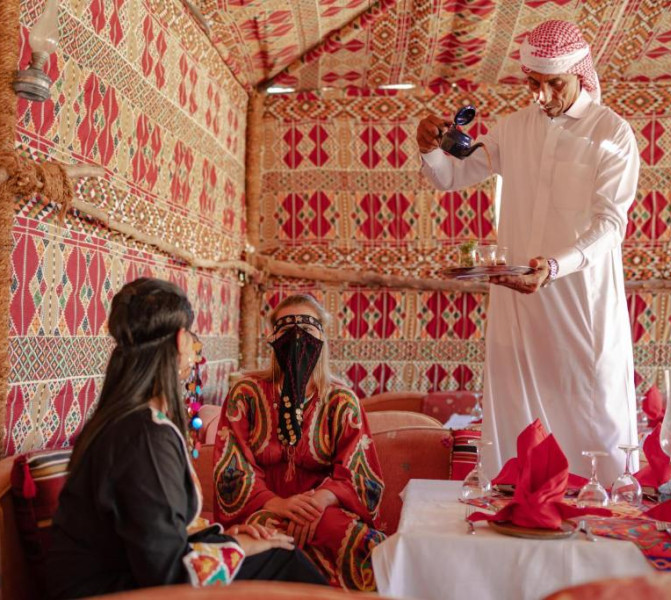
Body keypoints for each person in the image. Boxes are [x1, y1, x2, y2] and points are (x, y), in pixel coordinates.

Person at [416, 20, 639, 485]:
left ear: (580, 73)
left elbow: (610, 225)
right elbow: (451, 177)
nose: (542, 95)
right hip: (518, 303)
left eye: (554, 84)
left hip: (582, 306)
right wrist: (429, 149)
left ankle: (600, 515)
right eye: (533, 84)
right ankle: (513, 514)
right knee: (518, 427)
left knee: (594, 420)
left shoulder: (611, 133)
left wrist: (556, 266)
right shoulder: (513, 129)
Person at [47, 278, 327, 599]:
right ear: (182, 341)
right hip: (112, 591)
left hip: (130, 575)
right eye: (192, 336)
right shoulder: (143, 435)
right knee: (283, 561)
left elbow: (154, 534)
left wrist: (224, 540)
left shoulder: (128, 421)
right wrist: (238, 546)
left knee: (278, 552)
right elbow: (166, 572)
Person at [213, 293, 386, 591]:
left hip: (323, 511)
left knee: (362, 546)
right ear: (273, 338)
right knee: (265, 536)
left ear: (322, 337)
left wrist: (318, 502)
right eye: (286, 329)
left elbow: (360, 476)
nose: (296, 338)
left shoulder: (341, 401)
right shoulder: (246, 394)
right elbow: (233, 470)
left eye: (306, 329)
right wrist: (279, 504)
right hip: (264, 508)